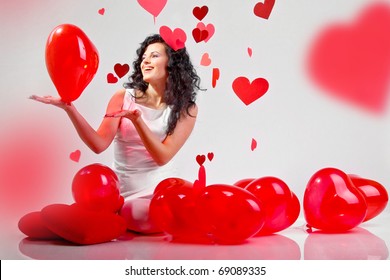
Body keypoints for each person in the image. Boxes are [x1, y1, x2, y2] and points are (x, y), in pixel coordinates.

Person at [30, 34, 202, 233]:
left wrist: (137, 120)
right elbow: (98, 144)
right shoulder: (122, 97)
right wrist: (69, 108)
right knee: (134, 213)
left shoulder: (186, 109)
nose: (145, 60)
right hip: (124, 194)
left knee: (167, 208)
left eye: (154, 56)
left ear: (172, 64)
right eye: (144, 56)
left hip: (162, 192)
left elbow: (162, 156)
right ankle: (111, 217)